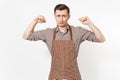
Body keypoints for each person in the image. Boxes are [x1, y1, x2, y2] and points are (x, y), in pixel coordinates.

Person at [23, 4, 105, 80]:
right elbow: (26, 36)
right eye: (58, 16)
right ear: (54, 16)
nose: (61, 19)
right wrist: (35, 21)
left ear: (69, 16)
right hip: (55, 76)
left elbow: (101, 39)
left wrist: (89, 23)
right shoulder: (48, 33)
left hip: (73, 76)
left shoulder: (78, 32)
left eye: (64, 16)